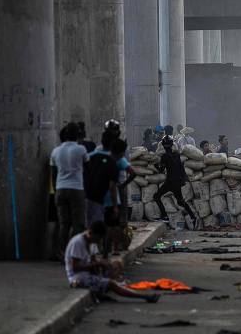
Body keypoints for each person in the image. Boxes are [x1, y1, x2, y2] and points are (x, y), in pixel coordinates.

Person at [65, 221, 160, 303]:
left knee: (116, 265)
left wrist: (102, 266)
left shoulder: (92, 242)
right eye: (98, 239)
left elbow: (93, 261)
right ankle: (144, 296)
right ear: (92, 233)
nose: (98, 241)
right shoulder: (77, 242)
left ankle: (107, 286)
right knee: (111, 283)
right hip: (77, 278)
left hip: (89, 273)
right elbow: (75, 267)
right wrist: (98, 264)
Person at [51, 122, 88, 258]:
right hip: (77, 188)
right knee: (78, 224)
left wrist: (56, 190)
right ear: (77, 134)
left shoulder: (55, 151)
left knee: (64, 224)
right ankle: (75, 254)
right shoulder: (81, 150)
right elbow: (87, 168)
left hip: (60, 189)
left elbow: (53, 173)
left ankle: (63, 253)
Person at [153, 135, 197, 223]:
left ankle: (164, 216)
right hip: (178, 182)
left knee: (156, 196)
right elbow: (181, 168)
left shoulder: (164, 156)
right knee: (180, 202)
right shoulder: (176, 155)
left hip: (170, 182)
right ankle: (193, 217)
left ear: (163, 145)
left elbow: (161, 170)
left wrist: (155, 165)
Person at [83, 132, 119, 227]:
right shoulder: (113, 161)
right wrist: (115, 206)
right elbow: (112, 187)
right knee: (105, 229)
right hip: (106, 201)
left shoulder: (90, 156)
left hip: (89, 198)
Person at [105, 138, 134, 254]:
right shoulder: (117, 162)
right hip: (114, 193)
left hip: (105, 194)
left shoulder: (105, 159)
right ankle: (117, 247)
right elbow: (113, 185)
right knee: (117, 222)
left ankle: (108, 248)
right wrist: (122, 186)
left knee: (108, 222)